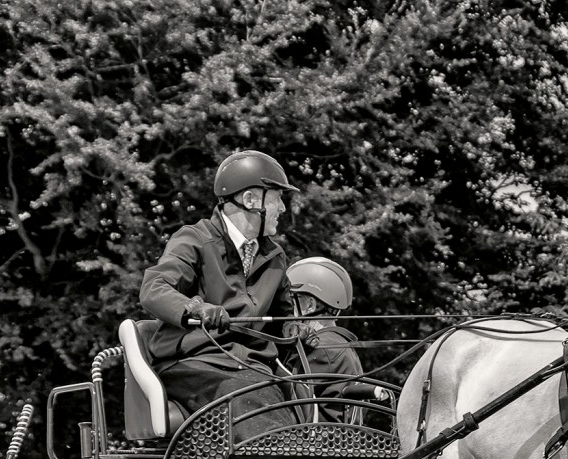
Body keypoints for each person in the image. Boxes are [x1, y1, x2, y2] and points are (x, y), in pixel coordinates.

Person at [139, 149, 298, 439]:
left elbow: (285, 324)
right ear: (251, 200)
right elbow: (154, 289)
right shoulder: (195, 239)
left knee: (295, 398)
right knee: (244, 395)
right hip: (195, 365)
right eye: (277, 199)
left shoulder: (275, 256)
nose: (283, 209)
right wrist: (195, 308)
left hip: (251, 370)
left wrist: (303, 333)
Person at [282, 256, 388, 421]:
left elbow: (279, 397)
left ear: (310, 305)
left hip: (313, 445)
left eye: (291, 302)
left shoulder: (323, 349)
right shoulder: (340, 345)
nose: (287, 311)